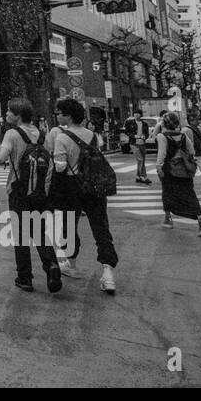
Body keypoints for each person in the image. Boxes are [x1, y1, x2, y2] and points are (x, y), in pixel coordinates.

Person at [0, 98, 61, 295]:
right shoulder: (42, 134)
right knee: (39, 230)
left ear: (18, 115)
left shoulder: (12, 134)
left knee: (21, 234)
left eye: (9, 112)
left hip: (18, 190)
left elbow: (1, 158)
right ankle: (51, 265)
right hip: (39, 191)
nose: (6, 115)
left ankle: (25, 277)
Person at [52, 98, 118, 296]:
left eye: (60, 112)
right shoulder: (92, 135)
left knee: (70, 225)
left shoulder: (61, 138)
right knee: (100, 227)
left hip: (72, 186)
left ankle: (71, 264)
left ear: (69, 115)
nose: (58, 115)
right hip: (94, 185)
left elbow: (59, 167)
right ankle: (108, 273)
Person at [155, 112, 201, 237]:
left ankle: (168, 219)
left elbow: (162, 154)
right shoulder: (183, 136)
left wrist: (158, 168)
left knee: (168, 193)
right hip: (185, 171)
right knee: (190, 196)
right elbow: (191, 152)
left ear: (164, 124)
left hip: (169, 170)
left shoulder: (162, 136)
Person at [123, 109, 152, 186]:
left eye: (138, 114)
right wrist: (133, 136)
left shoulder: (144, 124)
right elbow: (126, 132)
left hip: (142, 144)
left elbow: (147, 134)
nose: (136, 115)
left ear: (141, 115)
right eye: (135, 113)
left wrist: (144, 137)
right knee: (140, 159)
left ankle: (138, 176)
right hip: (134, 144)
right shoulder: (130, 123)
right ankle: (144, 177)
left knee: (141, 161)